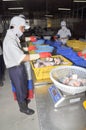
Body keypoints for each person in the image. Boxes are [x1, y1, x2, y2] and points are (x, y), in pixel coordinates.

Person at [3, 16, 51, 115]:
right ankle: (23, 108)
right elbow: (22, 58)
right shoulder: (10, 41)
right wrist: (40, 55)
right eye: (22, 28)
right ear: (16, 26)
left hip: (18, 66)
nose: (23, 30)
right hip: (15, 68)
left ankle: (24, 101)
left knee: (23, 85)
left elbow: (18, 50)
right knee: (20, 88)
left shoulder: (13, 37)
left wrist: (27, 49)